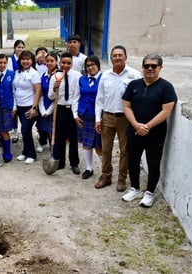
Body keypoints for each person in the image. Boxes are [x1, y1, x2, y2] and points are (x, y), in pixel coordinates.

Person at [121, 54, 177, 208]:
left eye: (154, 66)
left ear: (160, 68)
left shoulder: (166, 87)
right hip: (133, 130)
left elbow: (167, 111)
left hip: (155, 133)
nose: (150, 69)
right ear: (143, 67)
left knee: (153, 163)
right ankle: (135, 188)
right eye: (147, 66)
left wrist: (147, 127)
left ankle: (150, 192)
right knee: (132, 159)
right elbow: (126, 106)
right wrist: (136, 125)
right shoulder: (133, 85)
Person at [94, 45, 142, 191]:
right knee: (106, 149)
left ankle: (122, 178)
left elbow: (139, 98)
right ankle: (106, 175)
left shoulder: (135, 75)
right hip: (107, 117)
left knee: (125, 150)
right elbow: (99, 98)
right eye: (114, 55)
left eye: (120, 55)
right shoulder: (105, 75)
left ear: (126, 57)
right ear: (111, 58)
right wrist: (98, 118)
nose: (117, 58)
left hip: (126, 119)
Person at [48, 52, 81, 174]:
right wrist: (54, 88)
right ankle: (60, 161)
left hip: (71, 109)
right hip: (60, 109)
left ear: (72, 64)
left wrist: (76, 113)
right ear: (59, 63)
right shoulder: (55, 76)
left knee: (73, 137)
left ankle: (74, 163)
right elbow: (50, 97)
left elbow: (77, 95)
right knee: (59, 137)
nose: (66, 65)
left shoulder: (77, 76)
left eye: (68, 63)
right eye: (63, 63)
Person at [74, 55, 103, 180]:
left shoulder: (103, 78)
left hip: (98, 117)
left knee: (99, 146)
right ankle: (89, 168)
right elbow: (76, 97)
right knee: (86, 143)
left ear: (98, 65)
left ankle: (105, 171)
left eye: (93, 65)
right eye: (88, 65)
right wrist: (75, 115)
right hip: (83, 115)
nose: (90, 67)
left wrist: (100, 118)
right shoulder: (82, 79)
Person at [13, 50, 41, 164]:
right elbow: (15, 88)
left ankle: (31, 154)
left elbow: (38, 90)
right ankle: (25, 152)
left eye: (28, 59)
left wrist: (34, 108)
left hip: (29, 106)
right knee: (23, 130)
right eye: (23, 59)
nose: (25, 61)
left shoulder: (34, 73)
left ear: (32, 60)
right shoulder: (17, 72)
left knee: (26, 130)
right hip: (20, 106)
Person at [0, 53, 15, 162]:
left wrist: (14, 108)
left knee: (4, 130)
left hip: (7, 106)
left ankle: (7, 152)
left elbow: (15, 92)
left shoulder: (12, 74)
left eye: (4, 63)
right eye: (0, 62)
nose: (2, 65)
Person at [36, 51, 58, 153]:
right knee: (41, 128)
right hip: (43, 105)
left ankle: (53, 148)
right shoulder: (43, 75)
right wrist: (42, 109)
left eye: (52, 61)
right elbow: (40, 93)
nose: (49, 63)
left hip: (53, 107)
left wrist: (48, 111)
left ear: (56, 62)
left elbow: (57, 97)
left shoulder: (59, 76)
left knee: (51, 130)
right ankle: (41, 142)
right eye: (47, 61)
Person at [7, 40, 25, 143]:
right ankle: (15, 133)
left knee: (22, 111)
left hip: (22, 89)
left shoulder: (25, 59)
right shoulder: (10, 60)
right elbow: (10, 73)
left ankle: (24, 131)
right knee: (14, 111)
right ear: (14, 48)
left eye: (22, 47)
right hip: (13, 87)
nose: (20, 49)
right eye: (18, 47)